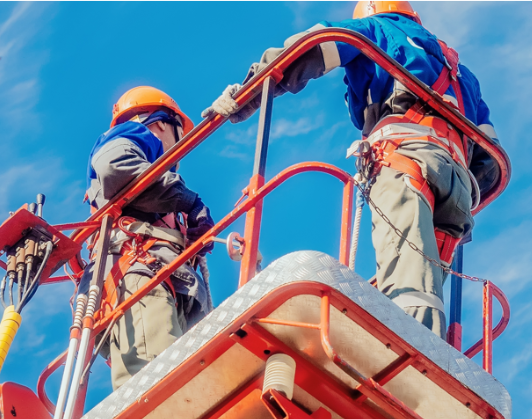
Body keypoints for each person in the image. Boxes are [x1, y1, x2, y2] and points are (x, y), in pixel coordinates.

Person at [207, 0, 504, 337]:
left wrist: (250, 90)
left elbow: (315, 44)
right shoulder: (461, 72)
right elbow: (490, 160)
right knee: (426, 281)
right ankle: (427, 341)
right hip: (459, 189)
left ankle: (414, 348)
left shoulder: (378, 29)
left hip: (405, 162)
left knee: (409, 283)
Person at [86, 86, 214, 389]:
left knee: (184, 388)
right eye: (179, 134)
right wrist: (190, 202)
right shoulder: (136, 136)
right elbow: (115, 167)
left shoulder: (157, 189)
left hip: (157, 285)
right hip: (143, 279)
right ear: (162, 124)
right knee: (161, 388)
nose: (179, 148)